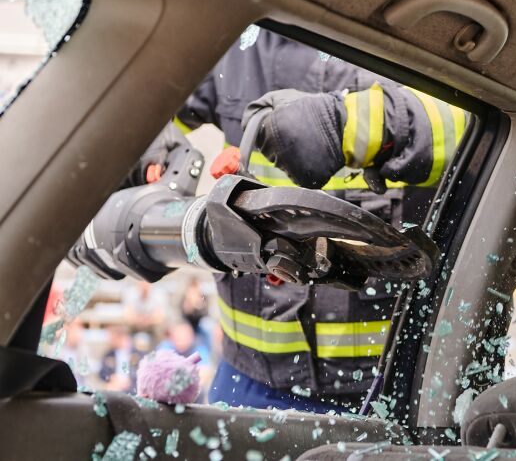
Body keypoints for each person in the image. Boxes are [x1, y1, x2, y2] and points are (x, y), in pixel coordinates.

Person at [128, 26, 470, 412]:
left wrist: (346, 126)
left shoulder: (427, 24)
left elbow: (489, 126)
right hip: (247, 377)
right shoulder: (241, 31)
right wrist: (140, 136)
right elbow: (139, 87)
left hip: (400, 385)